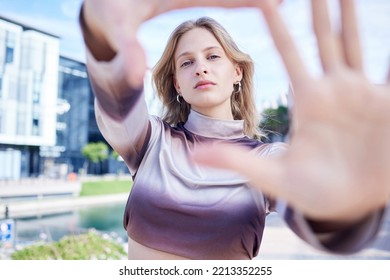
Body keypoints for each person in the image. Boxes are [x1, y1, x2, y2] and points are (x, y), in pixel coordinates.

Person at [79, 0, 390, 260]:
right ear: (176, 84)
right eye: (186, 63)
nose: (200, 67)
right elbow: (116, 103)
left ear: (237, 71)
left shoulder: (267, 160)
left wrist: (343, 207)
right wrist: (101, 33)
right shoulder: (151, 140)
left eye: (213, 56)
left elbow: (323, 221)